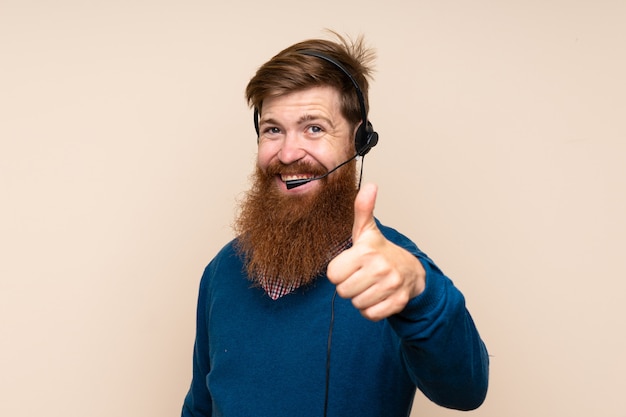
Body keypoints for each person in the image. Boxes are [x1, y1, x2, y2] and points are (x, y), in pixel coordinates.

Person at [181, 32, 489, 417]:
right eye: (273, 129)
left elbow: (466, 390)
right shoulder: (221, 271)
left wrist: (421, 291)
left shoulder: (392, 271)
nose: (289, 153)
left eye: (314, 128)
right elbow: (200, 407)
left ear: (358, 142)